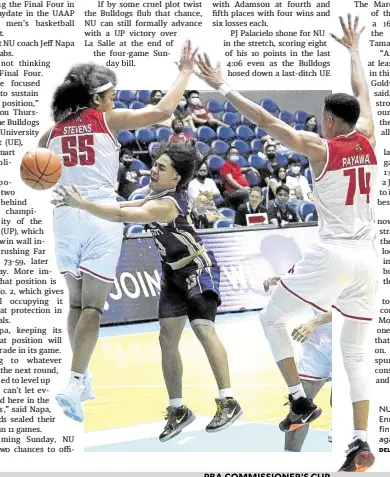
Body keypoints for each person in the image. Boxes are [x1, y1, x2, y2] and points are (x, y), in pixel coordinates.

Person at [197, 14, 377, 471]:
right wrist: (354, 50)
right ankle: (359, 440)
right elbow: (364, 93)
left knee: (271, 318)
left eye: (324, 117)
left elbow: (265, 120)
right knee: (356, 354)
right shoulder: (371, 134)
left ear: (330, 120)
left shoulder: (322, 148)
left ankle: (298, 401)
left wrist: (223, 88)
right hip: (370, 260)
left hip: (334, 252)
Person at [39, 40, 198, 423]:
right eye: (112, 94)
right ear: (96, 98)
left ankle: (83, 375)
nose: (116, 98)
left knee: (75, 304)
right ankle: (76, 379)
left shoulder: (52, 131)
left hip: (63, 215)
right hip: (100, 214)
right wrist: (185, 72)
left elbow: (39, 173)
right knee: (91, 306)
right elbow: (163, 110)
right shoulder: (107, 120)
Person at [53, 141, 243, 440]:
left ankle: (228, 401)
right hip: (172, 273)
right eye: (154, 164)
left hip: (197, 267)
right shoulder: (154, 195)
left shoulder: (167, 204)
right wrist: (84, 204)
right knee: (167, 340)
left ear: (176, 177)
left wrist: (83, 205)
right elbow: (125, 206)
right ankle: (178, 409)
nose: (153, 169)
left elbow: (122, 216)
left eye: (161, 167)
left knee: (203, 328)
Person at [264, 276, 332, 452]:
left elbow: (352, 308)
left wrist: (313, 322)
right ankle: (290, 459)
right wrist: (279, 279)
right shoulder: (320, 256)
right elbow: (303, 274)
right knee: (300, 407)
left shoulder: (357, 262)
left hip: (348, 338)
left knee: (340, 401)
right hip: (318, 339)